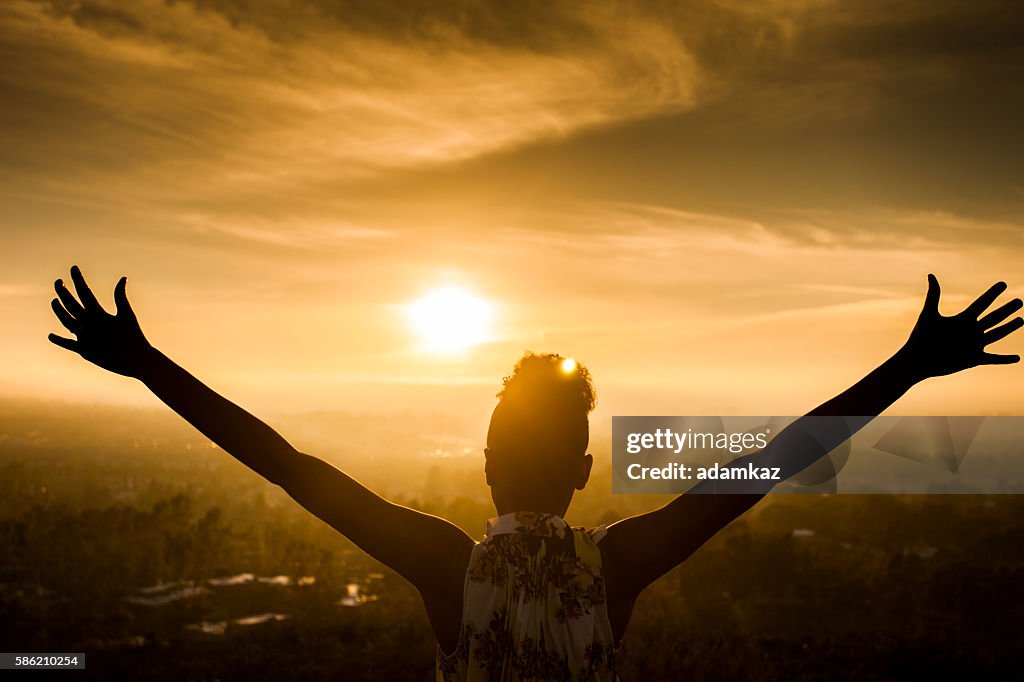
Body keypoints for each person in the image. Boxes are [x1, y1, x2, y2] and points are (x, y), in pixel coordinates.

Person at [47, 266, 1021, 681]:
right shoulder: (617, 567)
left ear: (480, 461)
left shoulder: (444, 566)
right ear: (586, 468)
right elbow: (768, 463)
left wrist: (147, 365)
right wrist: (906, 365)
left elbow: (291, 468)